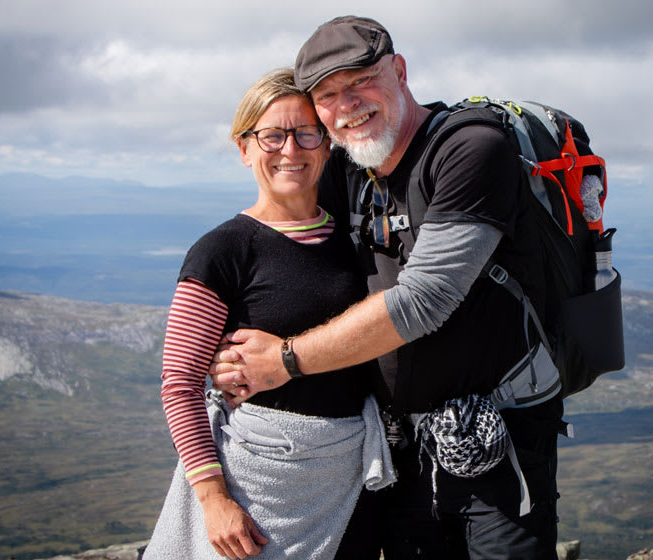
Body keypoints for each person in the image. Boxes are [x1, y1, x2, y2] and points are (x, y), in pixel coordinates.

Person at [212, 16, 563, 560]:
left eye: (360, 81)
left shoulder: (470, 148)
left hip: (498, 437)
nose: (347, 104)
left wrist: (282, 360)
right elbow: (295, 256)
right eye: (327, 95)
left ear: (399, 71)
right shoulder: (349, 168)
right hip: (396, 447)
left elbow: (426, 300)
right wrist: (222, 345)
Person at [143, 67, 395, 560]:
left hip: (351, 481)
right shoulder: (223, 251)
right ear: (244, 148)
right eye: (272, 136)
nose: (290, 150)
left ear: (326, 145)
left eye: (306, 133)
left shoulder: (358, 242)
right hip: (256, 488)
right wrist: (214, 500)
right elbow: (180, 383)